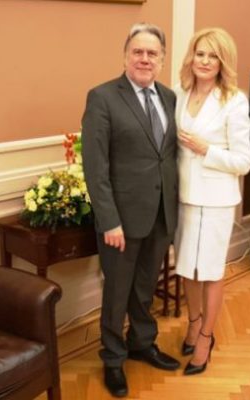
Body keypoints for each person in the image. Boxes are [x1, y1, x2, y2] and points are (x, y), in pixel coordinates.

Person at [81, 23, 180, 398]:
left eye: (152, 53)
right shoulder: (103, 97)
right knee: (117, 292)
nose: (144, 59)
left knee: (145, 287)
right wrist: (109, 220)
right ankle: (113, 358)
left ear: (162, 60)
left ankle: (142, 343)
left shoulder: (170, 98)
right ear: (125, 56)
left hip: (161, 214)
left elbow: (168, 157)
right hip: (121, 220)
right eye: (138, 51)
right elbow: (95, 167)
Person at [173, 27, 250, 375]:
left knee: (210, 271)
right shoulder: (179, 93)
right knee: (187, 267)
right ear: (192, 56)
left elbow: (243, 161)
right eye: (200, 53)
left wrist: (206, 150)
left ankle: (206, 336)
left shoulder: (234, 100)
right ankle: (193, 322)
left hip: (216, 201)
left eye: (213, 56)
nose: (204, 61)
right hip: (183, 197)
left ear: (223, 62)